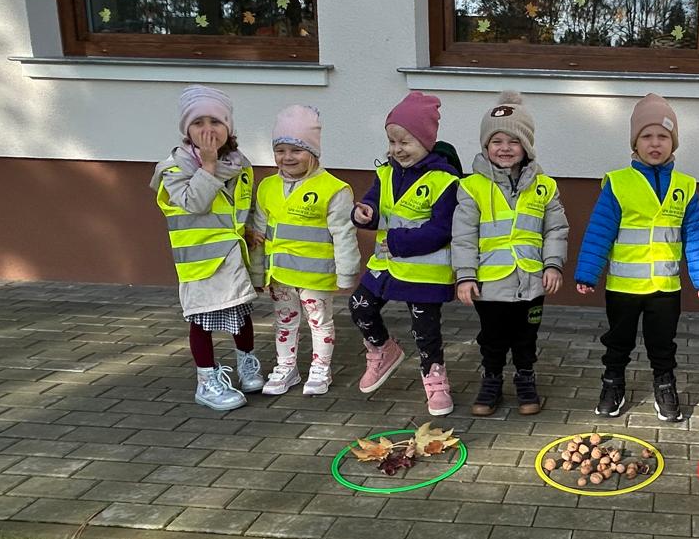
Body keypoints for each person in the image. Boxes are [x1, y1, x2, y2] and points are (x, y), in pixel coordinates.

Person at [574, 93, 699, 421]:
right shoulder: (618, 183)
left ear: (673, 142)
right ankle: (613, 383)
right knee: (618, 340)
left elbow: (695, 235)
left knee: (663, 342)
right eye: (647, 136)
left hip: (665, 288)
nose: (655, 143)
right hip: (623, 288)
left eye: (663, 136)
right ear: (635, 143)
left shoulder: (686, 186)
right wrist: (587, 273)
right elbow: (600, 231)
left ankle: (665, 384)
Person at [452, 91, 569, 417]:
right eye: (497, 141)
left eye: (514, 141)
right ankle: (491, 379)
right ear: (485, 146)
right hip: (490, 284)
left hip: (532, 281)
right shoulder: (472, 187)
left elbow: (556, 230)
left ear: (527, 145)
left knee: (525, 337)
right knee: (492, 338)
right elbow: (463, 236)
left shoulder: (544, 186)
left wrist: (553, 265)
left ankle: (525, 377)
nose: (505, 148)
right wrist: (465, 276)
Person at [348, 92, 463, 417]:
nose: (397, 149)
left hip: (424, 272)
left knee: (425, 332)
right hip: (386, 264)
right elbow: (373, 203)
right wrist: (364, 213)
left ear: (426, 141)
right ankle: (383, 349)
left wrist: (399, 241)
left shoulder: (444, 181)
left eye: (405, 142)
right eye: (392, 141)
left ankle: (435, 379)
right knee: (359, 306)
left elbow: (442, 229)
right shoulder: (385, 173)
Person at [149, 85, 261, 412]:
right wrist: (208, 167)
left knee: (240, 312)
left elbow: (240, 206)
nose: (208, 130)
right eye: (198, 123)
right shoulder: (174, 168)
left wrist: (247, 230)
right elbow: (195, 204)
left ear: (229, 127)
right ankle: (206, 381)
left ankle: (247, 364)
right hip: (201, 262)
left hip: (232, 256)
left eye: (216, 121)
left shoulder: (239, 164)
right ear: (187, 130)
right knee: (202, 320)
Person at [247, 105, 360, 397]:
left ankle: (321, 368)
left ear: (313, 151)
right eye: (280, 150)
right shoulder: (267, 187)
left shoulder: (334, 189)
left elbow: (344, 234)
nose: (287, 157)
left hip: (315, 277)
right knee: (284, 322)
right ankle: (287, 367)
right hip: (280, 276)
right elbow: (259, 234)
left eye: (296, 150)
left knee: (320, 323)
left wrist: (346, 273)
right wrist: (257, 274)